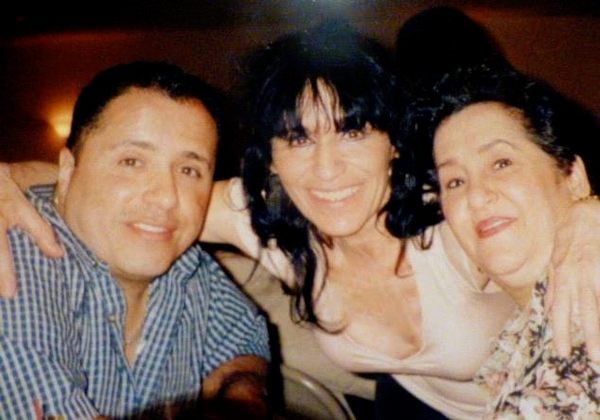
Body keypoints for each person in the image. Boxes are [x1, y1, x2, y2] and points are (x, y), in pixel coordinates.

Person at [1, 22, 600, 419]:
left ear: (394, 143)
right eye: (297, 138)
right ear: (272, 158)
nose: (326, 169)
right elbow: (133, 195)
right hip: (405, 407)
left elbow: (537, 205)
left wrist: (587, 216)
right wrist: (9, 177)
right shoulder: (262, 214)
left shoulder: (449, 206)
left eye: (353, 132)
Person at [0, 61, 270, 419]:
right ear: (67, 170)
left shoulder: (188, 266)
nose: (167, 197)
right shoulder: (14, 259)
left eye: (189, 170)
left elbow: (245, 339)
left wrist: (240, 392)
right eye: (132, 162)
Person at [403, 58, 600, 417]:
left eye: (501, 163)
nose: (476, 196)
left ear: (573, 178)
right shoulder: (515, 344)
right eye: (455, 182)